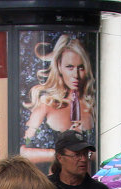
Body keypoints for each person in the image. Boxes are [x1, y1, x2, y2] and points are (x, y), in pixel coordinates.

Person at [20, 34, 96, 164]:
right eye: (70, 67)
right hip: (49, 181)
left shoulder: (90, 105)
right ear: (59, 67)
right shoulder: (46, 105)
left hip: (86, 180)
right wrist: (61, 155)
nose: (75, 75)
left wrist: (84, 153)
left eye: (81, 68)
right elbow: (23, 152)